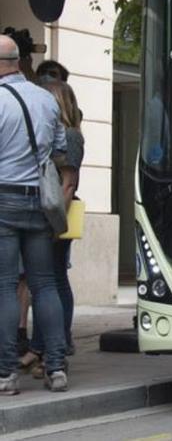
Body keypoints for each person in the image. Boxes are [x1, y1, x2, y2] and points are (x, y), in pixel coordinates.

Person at [0, 35, 70, 394]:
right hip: (40, 203)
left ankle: (6, 373)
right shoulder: (45, 99)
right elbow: (60, 150)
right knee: (45, 284)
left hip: (3, 201)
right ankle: (56, 368)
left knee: (5, 287)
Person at [22, 78, 84, 375]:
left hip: (57, 215)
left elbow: (68, 183)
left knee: (54, 281)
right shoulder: (58, 133)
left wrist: (55, 222)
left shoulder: (70, 136)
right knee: (48, 282)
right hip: (51, 214)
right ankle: (42, 347)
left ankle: (53, 347)